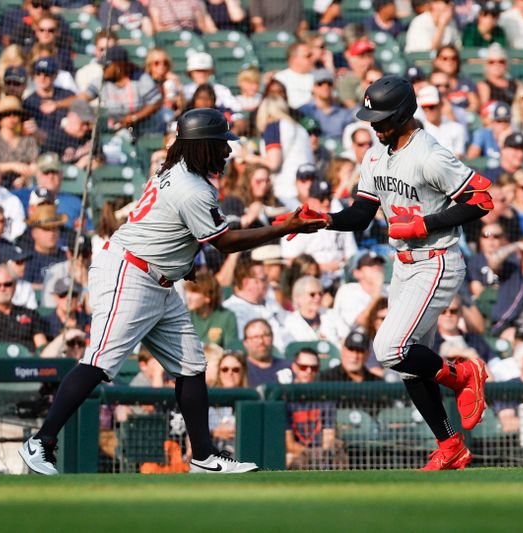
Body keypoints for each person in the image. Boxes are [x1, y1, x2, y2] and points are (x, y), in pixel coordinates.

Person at [19, 108, 325, 475]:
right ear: (201, 146)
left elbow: (167, 223)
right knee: (99, 362)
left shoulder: (177, 168)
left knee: (192, 365)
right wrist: (285, 226)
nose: (227, 151)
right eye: (220, 144)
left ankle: (203, 456)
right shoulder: (192, 187)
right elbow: (225, 242)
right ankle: (41, 442)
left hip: (156, 276)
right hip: (129, 274)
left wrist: (183, 259)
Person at [294, 75, 489, 470]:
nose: (374, 125)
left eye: (381, 118)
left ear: (403, 115)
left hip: (437, 259)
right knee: (408, 364)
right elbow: (362, 214)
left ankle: (464, 373)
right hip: (403, 265)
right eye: (371, 117)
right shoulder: (374, 154)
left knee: (389, 349)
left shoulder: (430, 154)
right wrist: (326, 220)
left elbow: (481, 200)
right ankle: (451, 445)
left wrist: (425, 224)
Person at [285, 347, 341, 469]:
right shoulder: (285, 398)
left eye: (314, 368)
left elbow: (329, 435)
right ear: (294, 367)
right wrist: (309, 453)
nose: (309, 371)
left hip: (320, 453)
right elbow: (289, 443)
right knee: (292, 458)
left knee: (340, 455)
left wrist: (324, 451)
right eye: (303, 367)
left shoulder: (325, 397)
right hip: (296, 453)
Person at [222, 259, 288, 352]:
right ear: (246, 282)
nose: (267, 283)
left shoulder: (270, 301)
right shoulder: (232, 309)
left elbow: (289, 322)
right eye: (263, 279)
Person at [0, 264, 47, 352]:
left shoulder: (30, 314)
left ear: (15, 286)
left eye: (7, 284)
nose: (2, 289)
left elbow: (42, 348)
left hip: (27, 363)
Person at [0, 96, 38, 189]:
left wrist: (24, 178)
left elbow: (34, 167)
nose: (12, 117)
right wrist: (12, 166)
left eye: (16, 114)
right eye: (7, 114)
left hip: (23, 188)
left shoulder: (29, 141)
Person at [282, 275, 345, 346]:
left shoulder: (332, 314)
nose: (318, 297)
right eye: (312, 294)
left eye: (320, 294)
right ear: (299, 297)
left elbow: (346, 337)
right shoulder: (289, 322)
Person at [185, 272, 238, 349]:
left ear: (208, 297)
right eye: (188, 291)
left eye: (194, 292)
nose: (188, 296)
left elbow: (230, 349)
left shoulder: (226, 316)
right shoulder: (182, 314)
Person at [242, 318, 292, 387]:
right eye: (255, 337)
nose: (261, 341)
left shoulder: (289, 367)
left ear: (272, 337)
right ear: (245, 343)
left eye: (265, 335)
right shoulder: (238, 370)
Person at [273, 42, 316, 111]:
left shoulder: (317, 77)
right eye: (308, 56)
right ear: (293, 59)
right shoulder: (280, 78)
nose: (312, 58)